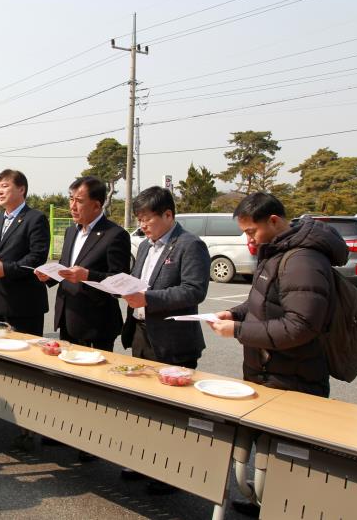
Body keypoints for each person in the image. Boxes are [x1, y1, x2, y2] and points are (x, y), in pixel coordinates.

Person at [118, 186, 211, 493]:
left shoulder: (190, 245)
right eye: (140, 219)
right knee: (143, 404)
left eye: (148, 219)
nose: (143, 226)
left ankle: (170, 473)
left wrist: (148, 298)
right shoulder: (145, 246)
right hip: (142, 334)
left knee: (171, 412)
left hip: (174, 340)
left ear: (168, 215)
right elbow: (138, 280)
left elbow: (194, 290)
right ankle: (144, 461)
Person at [208, 192, 347, 398]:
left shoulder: (302, 261)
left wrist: (238, 330)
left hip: (292, 381)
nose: (249, 239)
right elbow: (263, 299)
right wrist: (234, 314)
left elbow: (300, 326)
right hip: (268, 375)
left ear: (273, 221)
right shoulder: (274, 250)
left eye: (251, 231)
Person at [35, 176, 130, 350]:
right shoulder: (71, 231)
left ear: (96, 205)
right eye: (71, 199)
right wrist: (48, 276)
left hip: (96, 323)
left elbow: (120, 280)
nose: (72, 206)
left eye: (79, 201)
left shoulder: (115, 235)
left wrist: (88, 275)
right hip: (67, 316)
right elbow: (66, 266)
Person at [0, 169, 49, 336]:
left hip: (22, 304)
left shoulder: (35, 218)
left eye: (5, 186)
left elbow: (37, 257)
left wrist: (4, 269)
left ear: (21, 189)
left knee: (23, 356)